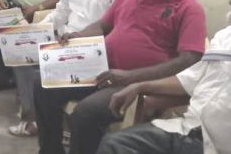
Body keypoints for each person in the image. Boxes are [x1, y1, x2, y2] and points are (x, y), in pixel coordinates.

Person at [34, 0, 207, 154]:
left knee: (85, 113)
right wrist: (77, 36)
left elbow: (189, 60)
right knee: (42, 81)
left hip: (135, 82)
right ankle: (51, 150)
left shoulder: (190, 9)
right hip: (99, 69)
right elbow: (104, 25)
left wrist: (130, 77)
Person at [6, 0, 135, 137]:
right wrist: (36, 31)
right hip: (65, 40)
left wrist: (78, 41)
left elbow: (119, 29)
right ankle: (33, 118)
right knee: (20, 53)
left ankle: (53, 123)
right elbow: (62, 10)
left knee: (42, 77)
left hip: (95, 50)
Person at [97, 23, 231, 154]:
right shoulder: (225, 37)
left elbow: (187, 60)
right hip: (189, 129)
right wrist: (140, 86)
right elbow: (191, 79)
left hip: (220, 144)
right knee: (116, 145)